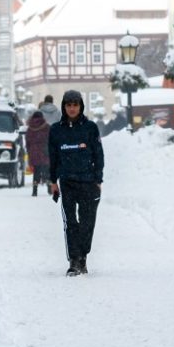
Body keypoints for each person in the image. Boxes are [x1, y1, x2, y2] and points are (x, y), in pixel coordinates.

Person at [47, 90, 104, 276]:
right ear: (64, 107)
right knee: (70, 222)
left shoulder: (90, 128)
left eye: (75, 105)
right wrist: (53, 181)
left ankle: (83, 257)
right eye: (68, 105)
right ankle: (74, 261)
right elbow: (53, 157)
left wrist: (98, 179)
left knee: (87, 223)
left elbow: (98, 155)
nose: (72, 108)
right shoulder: (56, 130)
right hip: (67, 183)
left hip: (88, 182)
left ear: (81, 106)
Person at [25, 95, 59, 198]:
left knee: (36, 171)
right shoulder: (47, 126)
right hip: (45, 151)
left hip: (34, 152)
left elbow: (27, 141)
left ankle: (35, 190)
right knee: (47, 170)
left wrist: (29, 150)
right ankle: (49, 189)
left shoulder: (30, 128)